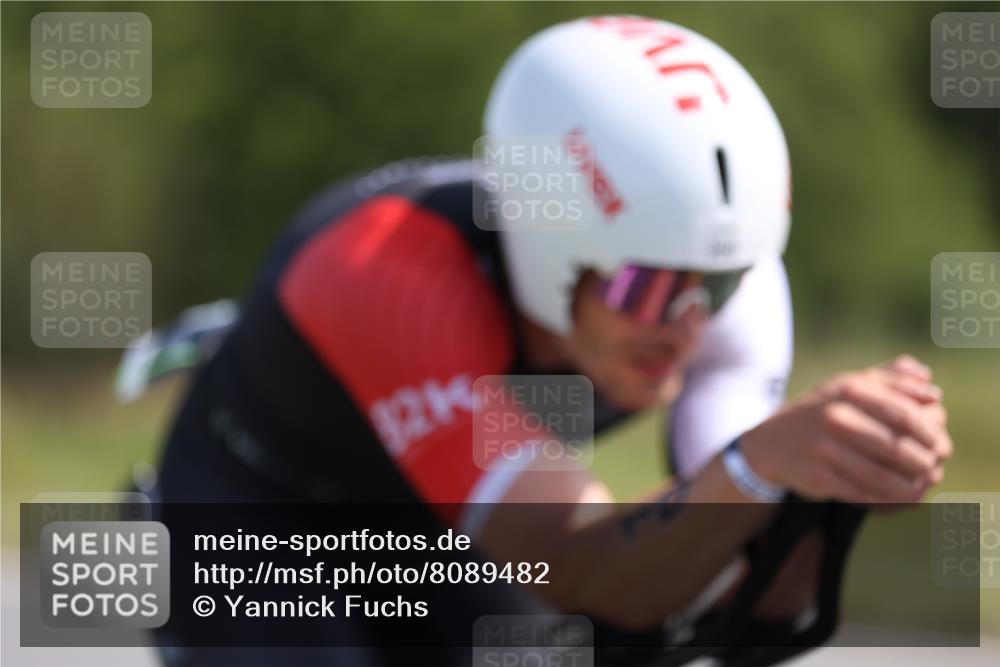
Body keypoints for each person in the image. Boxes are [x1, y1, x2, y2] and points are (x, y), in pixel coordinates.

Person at [150, 15, 952, 666]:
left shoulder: (715, 278)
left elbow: (746, 595)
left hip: (436, 527)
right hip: (264, 512)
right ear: (548, 244)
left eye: (721, 282)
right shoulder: (385, 276)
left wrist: (828, 488)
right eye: (646, 284)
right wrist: (754, 468)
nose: (689, 325)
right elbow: (579, 568)